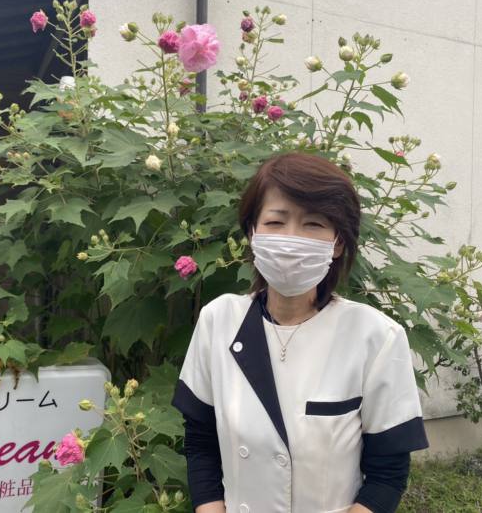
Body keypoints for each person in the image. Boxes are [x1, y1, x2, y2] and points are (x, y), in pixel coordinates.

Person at [171, 151, 429, 513]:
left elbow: (387, 475)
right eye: (276, 222)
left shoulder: (375, 337)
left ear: (338, 242)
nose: (292, 239)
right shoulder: (219, 321)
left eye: (313, 224)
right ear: (253, 232)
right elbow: (200, 441)